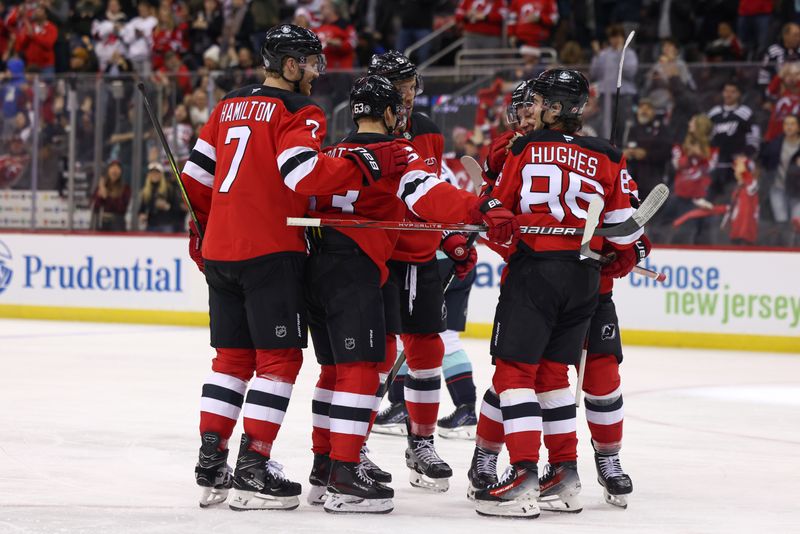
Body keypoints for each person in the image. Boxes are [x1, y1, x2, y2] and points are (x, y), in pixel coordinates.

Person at [182, 24, 411, 511]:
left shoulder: (226, 105)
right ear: (289, 65)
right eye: (310, 62)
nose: (315, 72)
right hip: (270, 250)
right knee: (278, 361)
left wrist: (205, 231)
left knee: (231, 362)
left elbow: (195, 179)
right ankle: (253, 465)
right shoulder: (297, 110)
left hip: (220, 249)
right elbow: (303, 173)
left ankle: (211, 461)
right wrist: (366, 163)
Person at [305, 74, 513, 513]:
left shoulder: (332, 151)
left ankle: (326, 466)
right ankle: (345, 469)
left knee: (336, 371)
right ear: (386, 111)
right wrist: (481, 208)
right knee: (363, 370)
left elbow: (299, 197)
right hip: (360, 268)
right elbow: (429, 195)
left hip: (317, 267)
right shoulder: (395, 150)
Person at [470, 69, 645, 518]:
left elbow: (501, 206)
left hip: (537, 273)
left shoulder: (526, 147)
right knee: (551, 375)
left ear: (558, 107)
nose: (535, 107)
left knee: (513, 374)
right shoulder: (607, 153)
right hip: (585, 277)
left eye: (542, 100)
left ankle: (524, 475)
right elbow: (626, 228)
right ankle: (564, 473)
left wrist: (491, 211)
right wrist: (623, 255)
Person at [368, 50, 467, 491]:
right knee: (375, 358)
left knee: (427, 354)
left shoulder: (427, 130)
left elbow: (431, 193)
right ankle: (356, 447)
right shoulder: (364, 133)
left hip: (423, 259)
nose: (408, 95)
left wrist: (449, 237)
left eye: (412, 86)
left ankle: (421, 443)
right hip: (379, 260)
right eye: (400, 87)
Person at [707, 81, 760, 205]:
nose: (728, 94)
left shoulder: (745, 113)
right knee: (710, 199)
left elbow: (754, 136)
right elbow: (706, 135)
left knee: (734, 200)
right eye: (726, 91)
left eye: (733, 92)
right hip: (717, 164)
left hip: (737, 166)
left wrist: (746, 154)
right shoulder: (714, 113)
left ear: (739, 94)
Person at [138, 162, 181, 232]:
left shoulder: (169, 188)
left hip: (166, 225)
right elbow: (141, 209)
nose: (154, 175)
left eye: (157, 172)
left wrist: (167, 207)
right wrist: (141, 215)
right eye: (152, 173)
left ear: (161, 174)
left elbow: (177, 207)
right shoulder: (145, 191)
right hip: (151, 225)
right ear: (148, 175)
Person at [91, 160, 130, 231]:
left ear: (120, 172)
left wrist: (107, 197)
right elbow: (95, 206)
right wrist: (99, 195)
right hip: (101, 223)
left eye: (117, 169)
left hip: (117, 224)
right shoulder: (102, 186)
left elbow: (121, 208)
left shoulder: (125, 189)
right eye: (112, 168)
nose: (114, 171)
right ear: (108, 171)